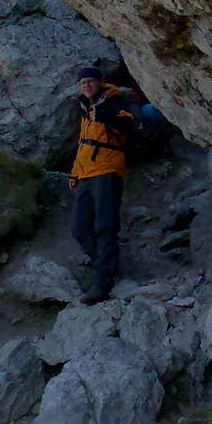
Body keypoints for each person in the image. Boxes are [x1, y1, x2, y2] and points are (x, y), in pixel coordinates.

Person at [68, 66, 135, 304]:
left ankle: (102, 283)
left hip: (107, 170)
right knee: (79, 229)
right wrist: (75, 172)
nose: (86, 86)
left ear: (100, 81)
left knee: (104, 226)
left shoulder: (114, 100)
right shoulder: (85, 106)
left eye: (90, 81)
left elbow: (129, 124)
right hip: (86, 173)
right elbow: (84, 144)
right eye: (82, 82)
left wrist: (106, 116)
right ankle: (106, 267)